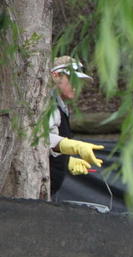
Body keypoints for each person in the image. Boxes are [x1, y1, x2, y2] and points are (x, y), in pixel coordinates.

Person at [48, 56, 104, 197]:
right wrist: (76, 147)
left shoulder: (61, 106)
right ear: (55, 76)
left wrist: (66, 161)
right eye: (72, 79)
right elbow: (41, 138)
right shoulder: (46, 104)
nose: (76, 86)